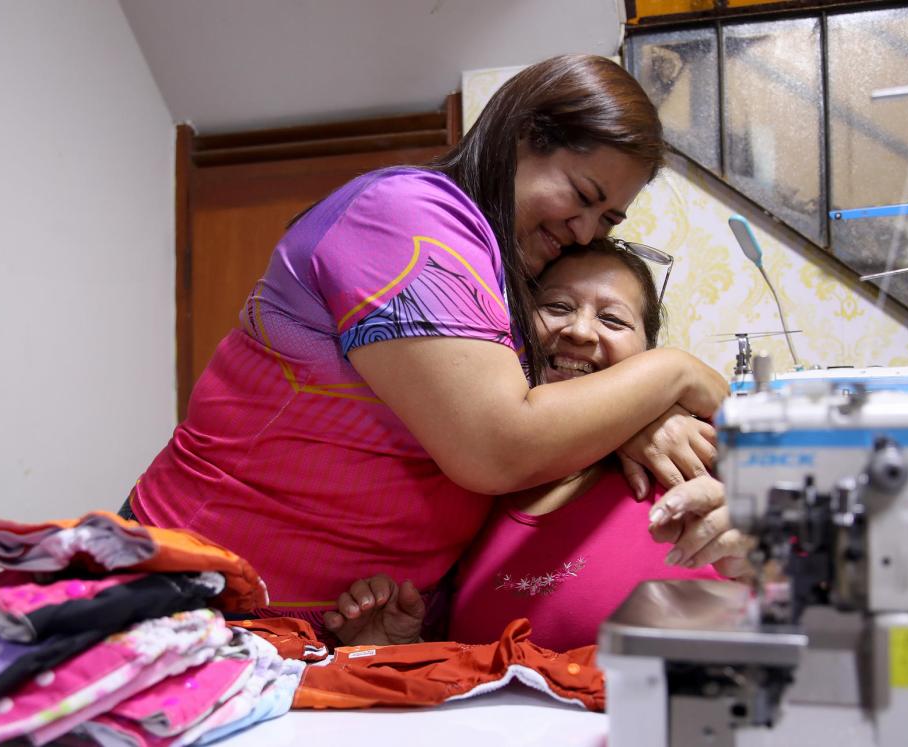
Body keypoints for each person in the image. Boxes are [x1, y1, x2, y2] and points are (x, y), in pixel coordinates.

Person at [124, 55, 728, 632]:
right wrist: (672, 372)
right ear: (520, 136)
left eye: (607, 221)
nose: (584, 232)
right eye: (582, 196)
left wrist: (640, 420)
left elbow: (539, 402)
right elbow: (496, 446)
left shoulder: (498, 269)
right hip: (197, 591)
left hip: (335, 629)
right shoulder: (408, 218)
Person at [324, 241, 752, 650]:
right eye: (557, 307)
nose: (581, 331)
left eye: (614, 320)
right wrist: (400, 649)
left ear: (647, 353)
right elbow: (475, 679)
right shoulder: (467, 486)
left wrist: (763, 561)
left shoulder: (695, 457)